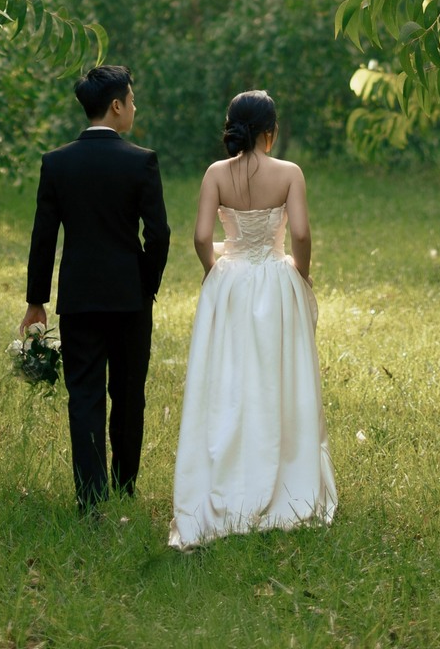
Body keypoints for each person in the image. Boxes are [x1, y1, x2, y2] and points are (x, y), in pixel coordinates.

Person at [169, 88, 337, 549]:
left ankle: (223, 476)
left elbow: (203, 236)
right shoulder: (289, 173)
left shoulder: (215, 174)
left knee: (228, 380)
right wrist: (299, 276)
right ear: (271, 131)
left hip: (232, 283)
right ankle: (285, 476)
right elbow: (300, 233)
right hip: (275, 282)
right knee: (278, 379)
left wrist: (217, 270)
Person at [20, 64, 171, 513]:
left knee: (83, 395)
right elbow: (158, 234)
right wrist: (145, 285)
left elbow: (43, 236)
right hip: (130, 299)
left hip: (80, 299)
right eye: (132, 98)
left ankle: (90, 498)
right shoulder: (140, 160)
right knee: (128, 394)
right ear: (117, 105)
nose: (134, 107)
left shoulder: (57, 162)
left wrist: (36, 302)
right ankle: (124, 487)